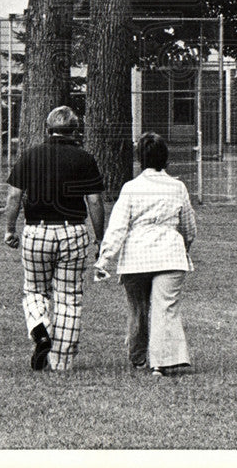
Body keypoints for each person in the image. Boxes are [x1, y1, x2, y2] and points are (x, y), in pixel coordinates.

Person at [3, 106, 104, 371]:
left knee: (35, 290)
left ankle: (40, 328)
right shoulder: (84, 159)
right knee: (69, 296)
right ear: (75, 130)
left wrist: (10, 229)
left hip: (37, 230)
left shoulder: (30, 156)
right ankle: (61, 361)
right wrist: (100, 239)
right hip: (72, 232)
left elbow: (14, 196)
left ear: (48, 129)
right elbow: (94, 201)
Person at [94, 131, 196, 377]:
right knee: (165, 308)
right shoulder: (177, 187)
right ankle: (161, 362)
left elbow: (118, 227)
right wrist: (183, 249)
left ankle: (139, 357)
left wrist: (104, 259)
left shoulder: (131, 188)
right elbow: (189, 228)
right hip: (170, 255)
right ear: (166, 159)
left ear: (140, 159)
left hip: (136, 256)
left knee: (138, 308)